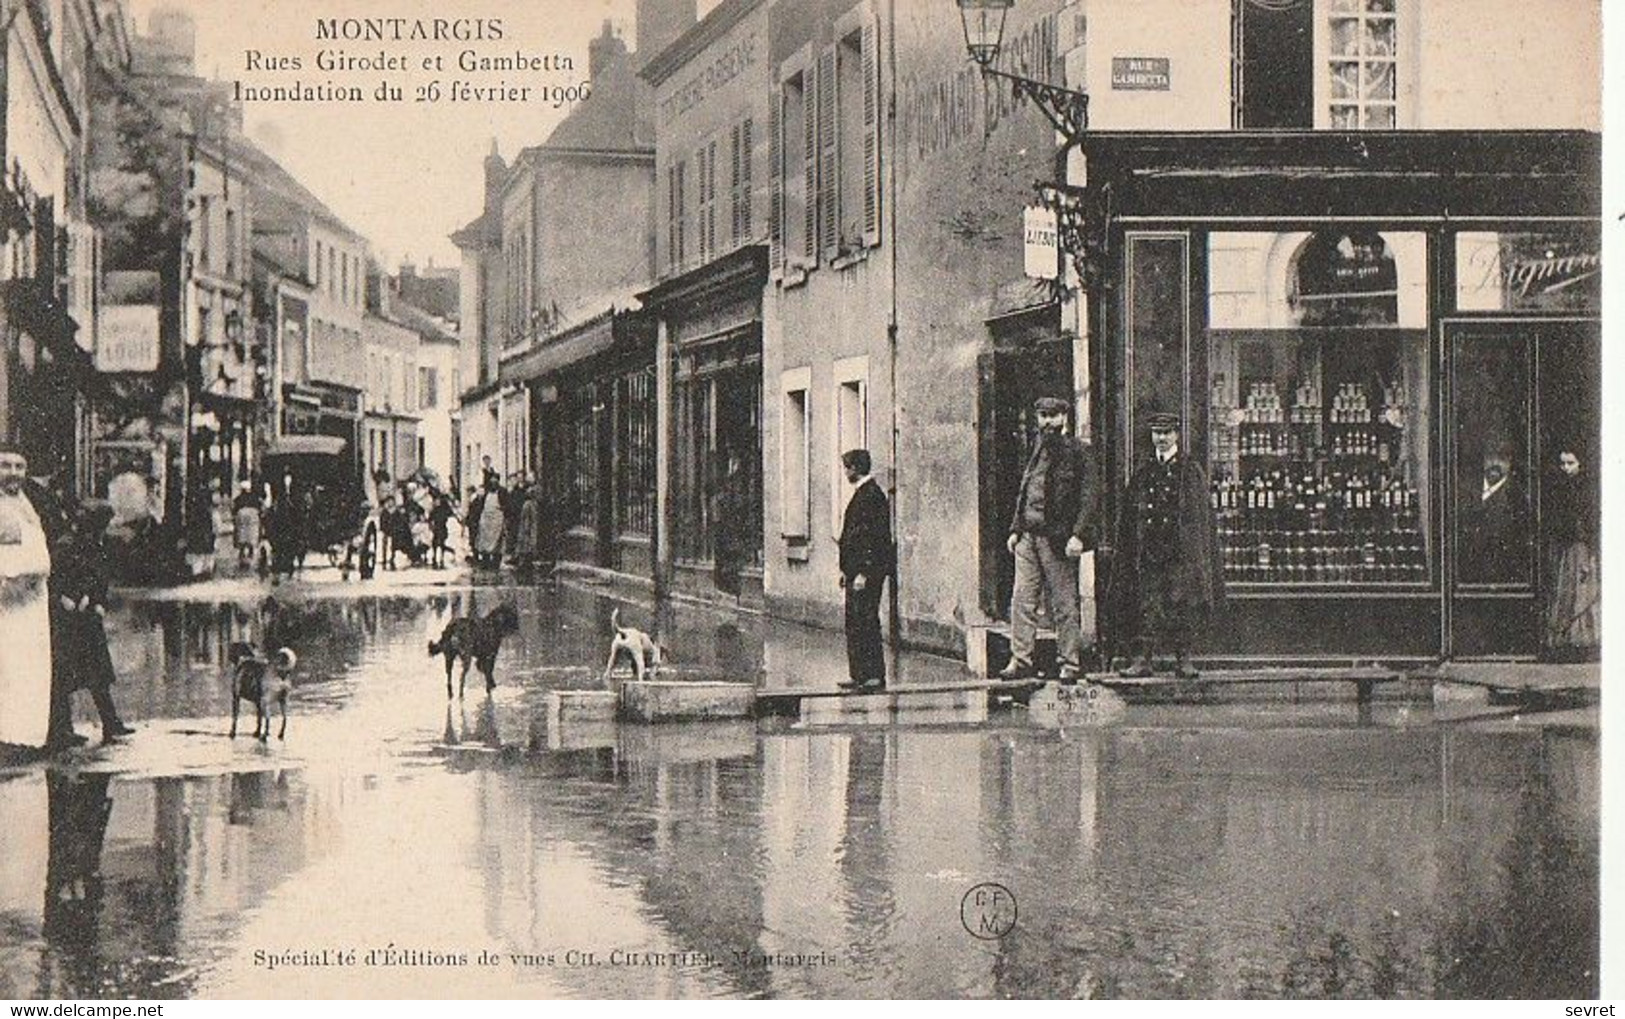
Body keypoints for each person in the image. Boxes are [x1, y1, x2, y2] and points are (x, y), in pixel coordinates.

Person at [997, 396, 1102, 684]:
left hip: (1058, 540)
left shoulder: (1080, 452)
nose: (1047, 422)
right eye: (1043, 415)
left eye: (1053, 416)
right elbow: (1025, 490)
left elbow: (1089, 498)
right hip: (1028, 538)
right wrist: (1015, 529)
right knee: (1022, 600)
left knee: (1064, 604)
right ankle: (1021, 660)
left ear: (1065, 418)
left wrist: (1078, 535)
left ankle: (1069, 662)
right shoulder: (1037, 449)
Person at [1111, 412, 1223, 679]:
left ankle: (1183, 660)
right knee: (1148, 604)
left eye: (1167, 433)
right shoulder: (1144, 469)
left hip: (1179, 552)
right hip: (1150, 550)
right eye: (1157, 433)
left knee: (1180, 604)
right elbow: (1131, 513)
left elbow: (1199, 516)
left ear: (1177, 435)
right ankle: (1143, 660)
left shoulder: (1189, 470)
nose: (1161, 438)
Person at [49, 503, 135, 745]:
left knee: (98, 676)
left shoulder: (95, 544)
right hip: (68, 620)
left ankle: (111, 723)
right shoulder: (68, 545)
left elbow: (98, 577)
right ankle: (62, 729)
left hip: (86, 619)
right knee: (65, 677)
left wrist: (96, 599)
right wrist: (67, 598)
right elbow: (55, 578)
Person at [0, 444, 59, 751]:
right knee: (7, 669)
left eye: (19, 466)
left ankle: (25, 737)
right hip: (7, 604)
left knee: (29, 670)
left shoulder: (26, 501)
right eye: (5, 466)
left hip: (33, 604)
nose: (13, 473)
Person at [837, 449, 894, 691]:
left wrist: (863, 572)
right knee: (855, 621)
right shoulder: (863, 493)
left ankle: (874, 675)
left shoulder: (871, 495)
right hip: (855, 572)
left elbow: (873, 539)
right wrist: (845, 570)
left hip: (866, 573)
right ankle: (859, 674)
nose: (846, 471)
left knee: (866, 620)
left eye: (848, 467)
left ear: (856, 468)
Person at [1544, 447, 1599, 659]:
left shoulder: (1585, 489)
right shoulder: (1562, 488)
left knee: (1581, 590)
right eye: (1563, 464)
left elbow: (1588, 520)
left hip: (1580, 545)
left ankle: (1583, 640)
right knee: (1566, 591)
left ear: (1580, 464)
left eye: (1570, 463)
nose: (1566, 468)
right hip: (1567, 546)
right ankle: (1566, 640)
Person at [711, 452, 750, 600]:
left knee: (733, 550)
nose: (732, 463)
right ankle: (728, 583)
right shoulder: (729, 477)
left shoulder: (738, 478)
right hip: (728, 520)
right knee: (728, 550)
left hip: (735, 520)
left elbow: (738, 499)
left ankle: (733, 585)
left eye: (734, 460)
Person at [476, 475, 506, 568]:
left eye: (495, 481)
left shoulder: (502, 492)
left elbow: (506, 505)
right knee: (484, 540)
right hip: (486, 520)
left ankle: (496, 561)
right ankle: (485, 560)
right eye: (491, 481)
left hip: (497, 519)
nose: (493, 483)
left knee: (498, 541)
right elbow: (480, 506)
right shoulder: (486, 492)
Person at [232, 481, 261, 568]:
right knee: (251, 537)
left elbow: (234, 510)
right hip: (253, 518)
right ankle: (250, 555)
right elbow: (260, 509)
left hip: (241, 518)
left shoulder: (238, 499)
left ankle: (242, 555)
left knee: (242, 536)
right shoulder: (255, 498)